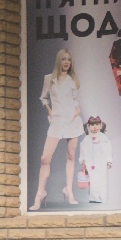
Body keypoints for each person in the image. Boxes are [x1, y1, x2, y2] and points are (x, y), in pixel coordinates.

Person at [32, 48, 82, 210]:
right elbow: (43, 97)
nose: (66, 62)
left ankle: (69, 190)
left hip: (72, 121)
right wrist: (49, 110)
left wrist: (77, 110)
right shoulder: (49, 79)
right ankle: (40, 193)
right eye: (64, 59)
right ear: (58, 60)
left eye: (69, 59)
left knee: (71, 156)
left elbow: (75, 100)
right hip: (57, 122)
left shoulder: (73, 80)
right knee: (45, 159)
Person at [78, 115, 113, 204]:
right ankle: (94, 198)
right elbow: (82, 151)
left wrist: (109, 161)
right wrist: (83, 161)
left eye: (97, 124)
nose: (95, 127)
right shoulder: (86, 139)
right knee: (93, 180)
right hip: (90, 163)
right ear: (88, 126)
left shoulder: (104, 138)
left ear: (101, 125)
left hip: (101, 162)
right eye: (92, 125)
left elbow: (108, 150)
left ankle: (102, 198)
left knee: (102, 180)